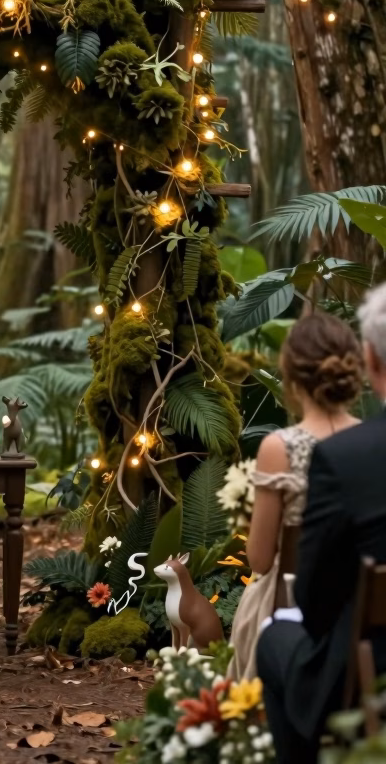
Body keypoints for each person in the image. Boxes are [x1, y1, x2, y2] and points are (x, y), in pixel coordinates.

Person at [258, 283, 386, 763]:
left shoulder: (347, 458)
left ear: (371, 360)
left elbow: (313, 602)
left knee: (275, 639)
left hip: (371, 667)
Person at [228, 313, 364, 680]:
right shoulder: (373, 442)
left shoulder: (280, 448)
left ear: (291, 377)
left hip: (295, 606)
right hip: (363, 608)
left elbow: (259, 560)